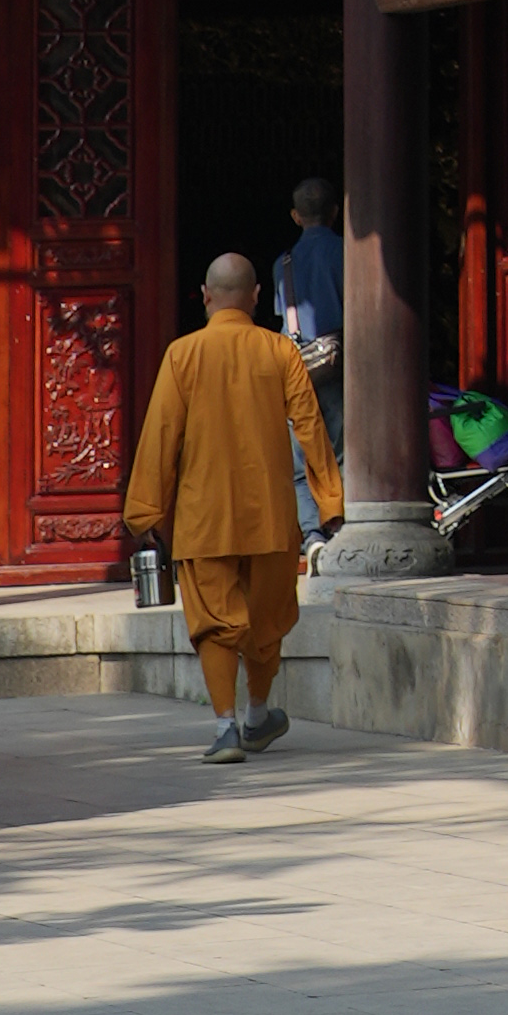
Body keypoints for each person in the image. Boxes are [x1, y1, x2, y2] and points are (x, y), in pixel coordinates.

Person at [122, 252, 343, 763]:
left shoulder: (182, 354)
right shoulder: (280, 352)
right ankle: (258, 715)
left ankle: (225, 727)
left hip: (204, 518)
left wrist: (146, 511)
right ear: (257, 297)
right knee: (265, 623)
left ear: (204, 295)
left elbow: (161, 436)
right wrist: (329, 500)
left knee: (216, 624)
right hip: (269, 516)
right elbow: (310, 426)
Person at [270, 176, 343, 533]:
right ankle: (340, 529)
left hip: (297, 367)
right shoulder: (348, 253)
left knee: (301, 463)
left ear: (296, 216)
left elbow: (284, 316)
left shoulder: (282, 264)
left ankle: (311, 535)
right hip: (339, 366)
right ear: (336, 211)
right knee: (340, 455)